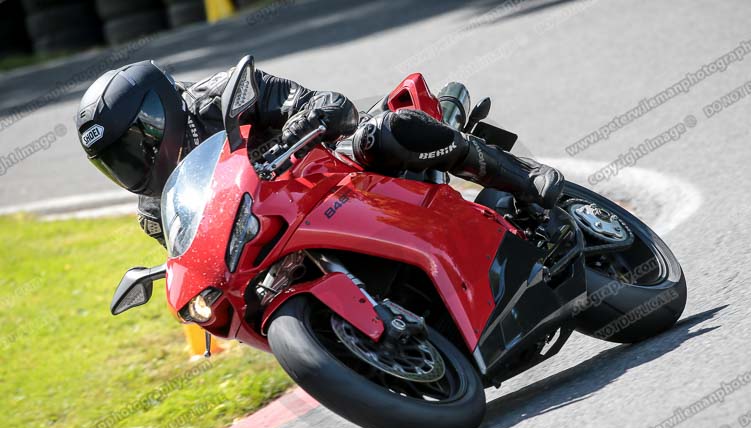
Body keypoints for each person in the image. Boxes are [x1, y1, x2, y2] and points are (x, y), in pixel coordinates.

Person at [76, 60, 563, 247]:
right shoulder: (156, 213)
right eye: (116, 162)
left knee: (383, 133)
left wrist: (300, 127)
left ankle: (523, 178)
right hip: (282, 235)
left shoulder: (224, 94)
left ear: (156, 116)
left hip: (333, 174)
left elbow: (327, 105)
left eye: (133, 146)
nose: (132, 165)